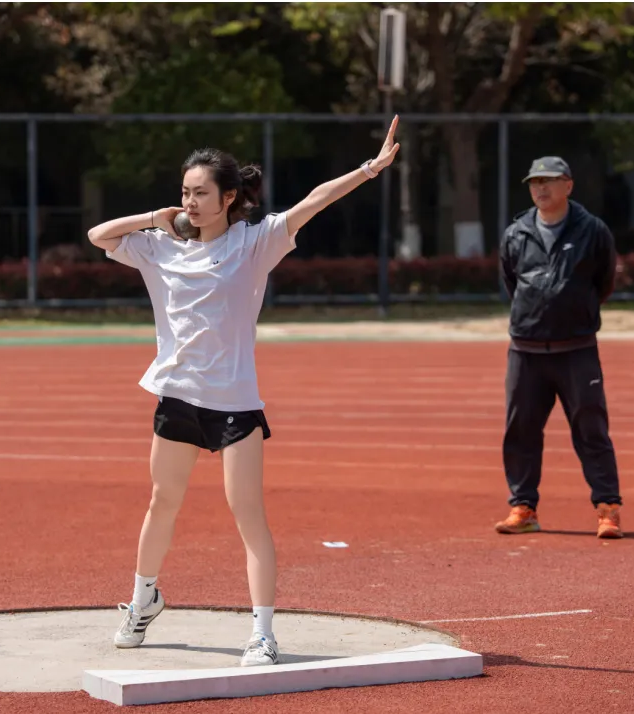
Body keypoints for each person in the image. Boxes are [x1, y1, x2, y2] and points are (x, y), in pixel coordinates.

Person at [87, 117, 401, 666]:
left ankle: (262, 633)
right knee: (162, 501)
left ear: (229, 197)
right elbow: (100, 236)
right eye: (185, 191)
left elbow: (314, 201)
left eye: (201, 192)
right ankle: (143, 600)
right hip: (177, 397)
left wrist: (369, 169)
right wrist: (157, 217)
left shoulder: (254, 243)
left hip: (233, 403)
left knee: (246, 512)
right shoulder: (159, 247)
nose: (190, 201)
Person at [495, 156, 623, 539]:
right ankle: (523, 507)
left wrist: (574, 312)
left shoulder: (593, 231)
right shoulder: (515, 234)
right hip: (526, 351)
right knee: (520, 430)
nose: (540, 188)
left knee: (591, 428)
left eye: (548, 181)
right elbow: (511, 283)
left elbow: (604, 282)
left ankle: (607, 508)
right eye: (534, 182)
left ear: (568, 185)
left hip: (577, 349)